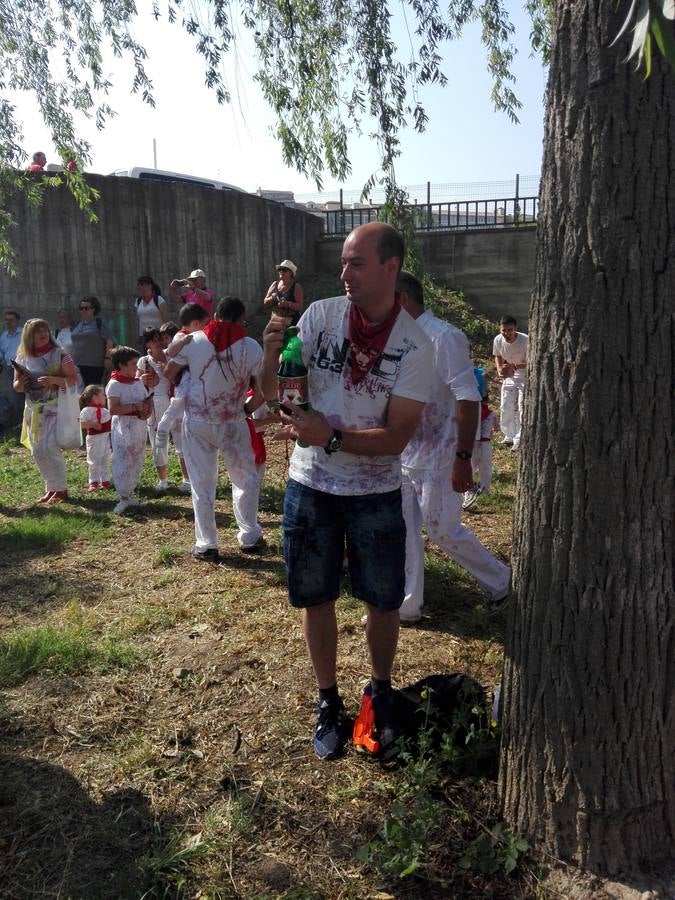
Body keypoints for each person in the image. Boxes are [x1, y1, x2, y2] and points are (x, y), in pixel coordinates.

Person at [259, 222, 431, 760]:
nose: (344, 274)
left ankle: (379, 692)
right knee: (317, 597)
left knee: (382, 601)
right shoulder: (321, 317)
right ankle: (327, 700)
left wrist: (330, 435)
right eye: (342, 263)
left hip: (376, 493)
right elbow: (276, 395)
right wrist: (269, 353)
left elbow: (398, 436)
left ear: (390, 268)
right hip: (311, 486)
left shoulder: (415, 345)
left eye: (355, 263)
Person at [396, 271, 511, 622]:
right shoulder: (397, 339)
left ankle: (502, 582)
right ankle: (409, 603)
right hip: (402, 454)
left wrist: (463, 457)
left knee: (442, 529)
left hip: (440, 454)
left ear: (401, 299)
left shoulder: (444, 337)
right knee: (403, 532)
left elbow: (468, 397)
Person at [163, 297, 265, 560]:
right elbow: (266, 388)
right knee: (245, 479)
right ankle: (249, 535)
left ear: (215, 315)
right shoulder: (251, 347)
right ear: (242, 319)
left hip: (198, 421)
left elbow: (168, 372)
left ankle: (207, 543)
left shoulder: (194, 340)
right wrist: (248, 407)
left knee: (201, 482)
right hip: (233, 420)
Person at [12, 318, 79, 504]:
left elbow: (74, 380)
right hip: (33, 411)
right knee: (37, 450)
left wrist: (53, 380)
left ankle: (62, 489)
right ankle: (51, 488)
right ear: (28, 336)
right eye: (37, 331)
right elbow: (16, 385)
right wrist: (21, 384)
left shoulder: (60, 354)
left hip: (55, 407)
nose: (42, 334)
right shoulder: (22, 357)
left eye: (44, 330)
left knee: (50, 447)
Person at [152, 304, 210, 494]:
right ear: (194, 323)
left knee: (182, 406)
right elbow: (170, 352)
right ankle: (162, 427)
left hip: (193, 379)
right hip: (184, 377)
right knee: (178, 401)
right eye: (203, 323)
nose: (205, 326)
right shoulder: (182, 335)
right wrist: (184, 341)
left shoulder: (201, 337)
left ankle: (191, 476)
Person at [106, 346, 154, 515]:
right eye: (133, 364)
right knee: (123, 458)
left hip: (138, 426)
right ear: (121, 365)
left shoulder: (137, 382)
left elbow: (146, 401)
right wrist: (135, 407)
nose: (137, 367)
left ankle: (130, 492)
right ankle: (123, 496)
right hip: (123, 427)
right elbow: (113, 409)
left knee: (136, 457)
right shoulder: (114, 384)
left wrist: (147, 409)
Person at [137, 326, 176, 493]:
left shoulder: (171, 355)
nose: (158, 342)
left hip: (174, 401)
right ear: (148, 343)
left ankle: (188, 479)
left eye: (160, 338)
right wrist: (142, 380)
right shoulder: (143, 361)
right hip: (154, 403)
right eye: (154, 340)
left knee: (182, 440)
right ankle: (163, 480)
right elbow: (137, 382)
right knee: (158, 442)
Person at [463, 369, 498, 510]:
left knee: (480, 464)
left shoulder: (483, 410)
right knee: (475, 463)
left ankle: (481, 489)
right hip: (476, 440)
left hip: (478, 439)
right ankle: (471, 488)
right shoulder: (481, 409)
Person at [493, 314, 528, 451]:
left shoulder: (525, 340)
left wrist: (514, 367)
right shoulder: (498, 340)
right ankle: (509, 435)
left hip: (524, 374)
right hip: (508, 374)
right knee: (506, 404)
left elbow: (532, 360)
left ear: (515, 328)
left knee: (521, 406)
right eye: (504, 330)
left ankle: (520, 437)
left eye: (510, 330)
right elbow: (498, 355)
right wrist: (499, 369)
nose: (507, 333)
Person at [70, 296, 114, 385]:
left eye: (86, 308)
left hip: (95, 365)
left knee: (92, 393)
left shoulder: (100, 323)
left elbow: (109, 341)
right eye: (81, 308)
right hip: (77, 365)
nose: (83, 311)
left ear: (93, 309)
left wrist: (108, 358)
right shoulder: (77, 324)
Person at [78, 384, 113, 491]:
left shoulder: (105, 411)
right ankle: (93, 481)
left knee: (105, 459)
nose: (105, 397)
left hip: (106, 439)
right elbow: (81, 423)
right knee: (94, 460)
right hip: (94, 439)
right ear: (94, 397)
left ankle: (105, 480)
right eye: (103, 395)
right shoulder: (87, 410)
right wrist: (93, 425)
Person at [0, 309, 25, 424]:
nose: (8, 322)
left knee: (27, 395)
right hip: (11, 369)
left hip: (24, 368)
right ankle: (19, 423)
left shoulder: (24, 334)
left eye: (11, 320)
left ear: (17, 321)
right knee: (15, 396)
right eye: (6, 320)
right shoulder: (4, 336)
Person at [263, 259, 304, 324]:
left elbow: (300, 306)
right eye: (279, 269)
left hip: (291, 324)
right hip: (276, 323)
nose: (281, 271)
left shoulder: (296, 286)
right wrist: (272, 298)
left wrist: (287, 304)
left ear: (290, 273)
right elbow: (265, 302)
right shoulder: (275, 284)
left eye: (284, 270)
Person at [134, 276, 169, 343]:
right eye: (138, 284)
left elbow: (166, 320)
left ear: (150, 285)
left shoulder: (159, 300)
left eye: (142, 284)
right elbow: (138, 320)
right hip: (144, 337)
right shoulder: (138, 301)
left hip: (158, 336)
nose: (139, 287)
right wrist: (138, 335)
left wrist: (165, 336)